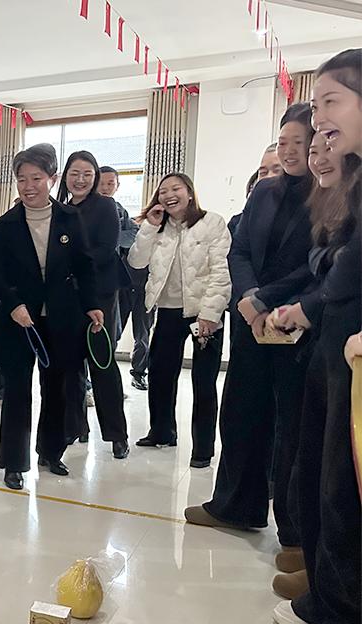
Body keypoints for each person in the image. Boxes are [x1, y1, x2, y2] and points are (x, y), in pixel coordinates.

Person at [186, 104, 315, 543]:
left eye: (300, 142)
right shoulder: (264, 193)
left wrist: (267, 300)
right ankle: (235, 506)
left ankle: (294, 533)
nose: (290, 151)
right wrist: (248, 297)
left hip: (296, 323)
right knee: (241, 414)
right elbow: (238, 250)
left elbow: (318, 265)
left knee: (292, 427)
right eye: (284, 142)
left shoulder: (330, 194)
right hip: (251, 322)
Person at [272, 49, 362, 624]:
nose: (320, 123)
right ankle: (330, 600)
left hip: (349, 344)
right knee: (321, 473)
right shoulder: (341, 194)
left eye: (332, 102)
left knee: (344, 487)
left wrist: (308, 303)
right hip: (334, 344)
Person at [0, 143, 105, 490]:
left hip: (61, 317)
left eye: (36, 178)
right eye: (21, 179)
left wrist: (92, 303)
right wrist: (13, 304)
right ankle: (14, 462)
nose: (28, 186)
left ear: (52, 178)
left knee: (57, 388)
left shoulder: (69, 218)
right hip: (19, 319)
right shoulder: (5, 224)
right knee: (17, 389)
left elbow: (84, 265)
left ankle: (51, 452)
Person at [127, 173, 231, 467]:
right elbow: (136, 261)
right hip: (169, 309)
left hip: (204, 312)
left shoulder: (212, 223)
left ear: (190, 192)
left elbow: (221, 271)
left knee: (203, 381)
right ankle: (161, 431)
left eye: (176, 189)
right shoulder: (158, 227)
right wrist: (149, 226)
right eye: (163, 191)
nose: (169, 195)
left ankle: (203, 448)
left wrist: (210, 313)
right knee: (161, 374)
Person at [58, 151, 129, 458]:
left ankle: (117, 434)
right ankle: (76, 427)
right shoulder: (60, 209)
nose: (81, 179)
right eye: (75, 173)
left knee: (102, 363)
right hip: (67, 297)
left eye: (87, 174)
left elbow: (105, 249)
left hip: (99, 295)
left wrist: (71, 265)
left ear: (95, 177)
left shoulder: (105, 206)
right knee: (70, 366)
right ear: (65, 176)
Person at [100, 165, 150, 390]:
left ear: (117, 186)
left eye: (110, 183)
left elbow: (134, 235)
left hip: (129, 282)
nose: (105, 187)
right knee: (105, 333)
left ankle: (135, 374)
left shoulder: (120, 210)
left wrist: (112, 238)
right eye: (101, 183)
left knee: (136, 333)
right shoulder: (84, 209)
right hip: (101, 284)